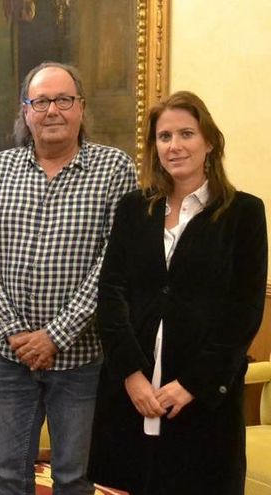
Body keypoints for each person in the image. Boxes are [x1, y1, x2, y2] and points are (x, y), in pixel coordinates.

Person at [0, 61, 137, 494]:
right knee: (8, 475)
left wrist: (55, 336)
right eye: (40, 101)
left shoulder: (114, 169)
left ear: (81, 107)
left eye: (63, 100)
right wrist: (16, 333)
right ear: (26, 112)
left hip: (80, 360)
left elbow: (112, 262)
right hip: (10, 359)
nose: (52, 111)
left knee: (74, 477)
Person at [89, 91, 267, 494]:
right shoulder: (134, 208)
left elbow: (245, 311)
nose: (174, 145)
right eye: (164, 136)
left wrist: (191, 384)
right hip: (133, 390)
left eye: (186, 133)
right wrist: (131, 376)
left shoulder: (244, 213)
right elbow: (111, 293)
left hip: (202, 396)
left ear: (209, 141)